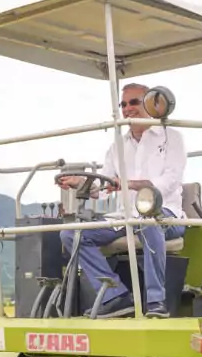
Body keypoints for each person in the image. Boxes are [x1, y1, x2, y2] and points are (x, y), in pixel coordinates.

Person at [56, 82, 187, 319]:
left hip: (166, 213)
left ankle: (156, 302)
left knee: (148, 223)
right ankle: (115, 297)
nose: (128, 109)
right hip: (126, 216)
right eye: (124, 104)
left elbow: (168, 182)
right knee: (71, 236)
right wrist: (80, 183)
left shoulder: (172, 137)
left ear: (151, 104)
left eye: (134, 102)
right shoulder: (117, 146)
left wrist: (127, 183)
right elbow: (103, 188)